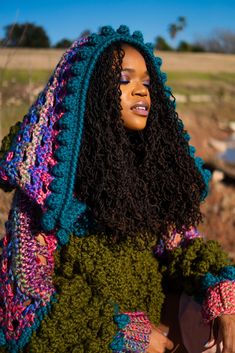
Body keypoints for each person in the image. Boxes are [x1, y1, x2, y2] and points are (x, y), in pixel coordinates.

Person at [0, 25, 234, 353]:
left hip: (158, 328)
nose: (141, 91)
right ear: (89, 92)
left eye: (147, 83)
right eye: (124, 80)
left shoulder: (149, 173)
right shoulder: (52, 196)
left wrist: (223, 294)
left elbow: (182, 245)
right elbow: (25, 302)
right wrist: (121, 333)